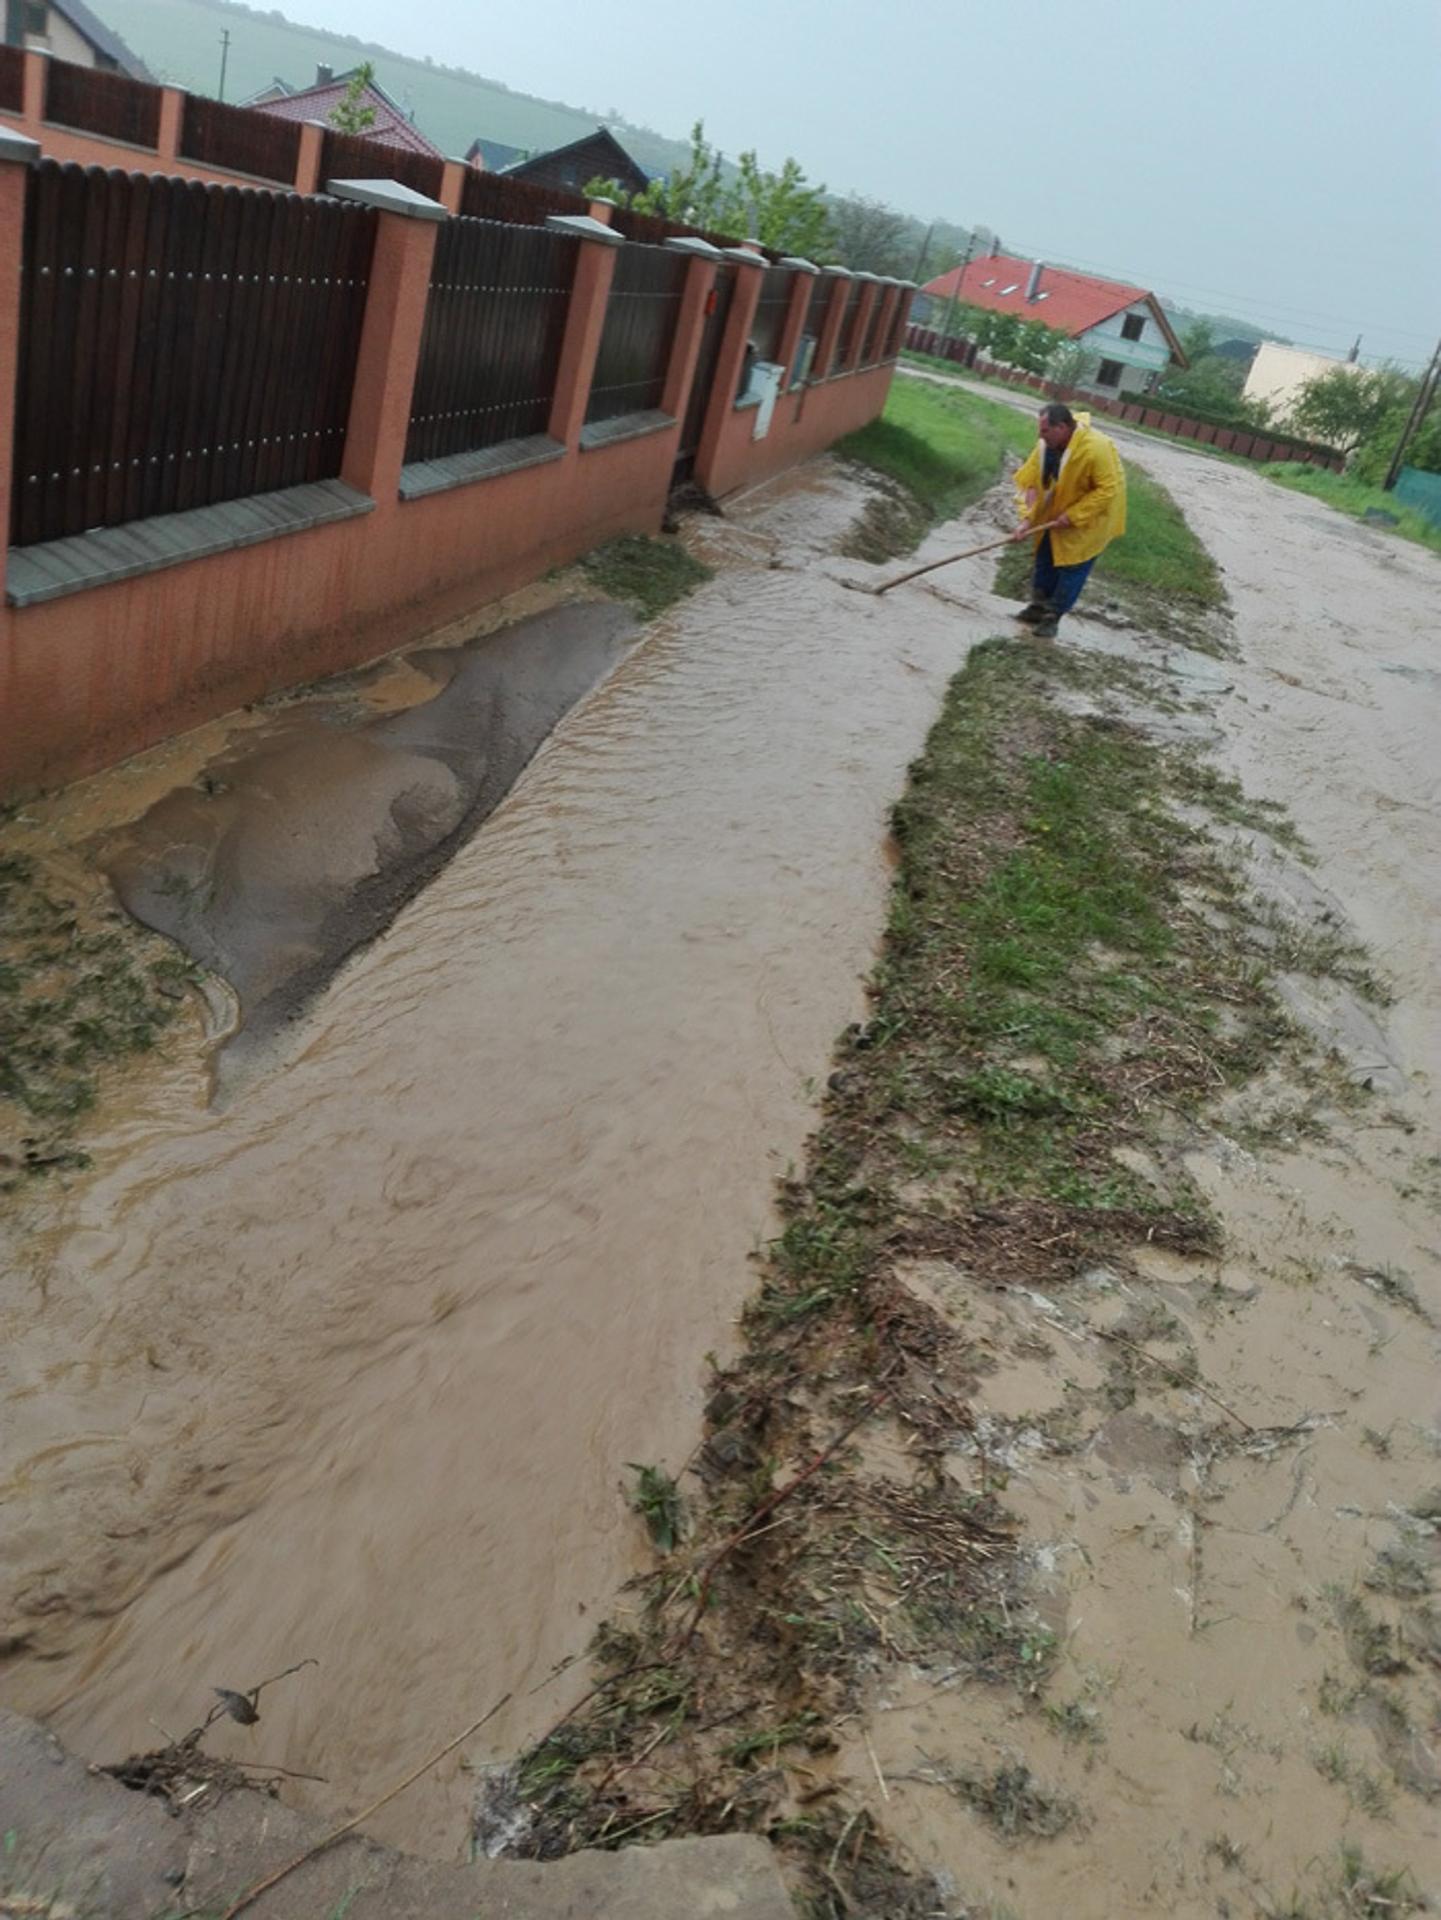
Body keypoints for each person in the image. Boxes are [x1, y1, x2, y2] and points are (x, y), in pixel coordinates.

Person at [1009, 403, 1127, 639]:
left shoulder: (1097, 447)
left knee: (1072, 567)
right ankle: (1038, 606)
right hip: (1055, 515)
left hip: (1091, 519)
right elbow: (1032, 483)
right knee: (1045, 558)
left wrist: (1073, 516)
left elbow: (1108, 490)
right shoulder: (1045, 447)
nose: (1040, 436)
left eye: (1045, 431)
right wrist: (1026, 520)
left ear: (1062, 427)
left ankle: (1053, 616)